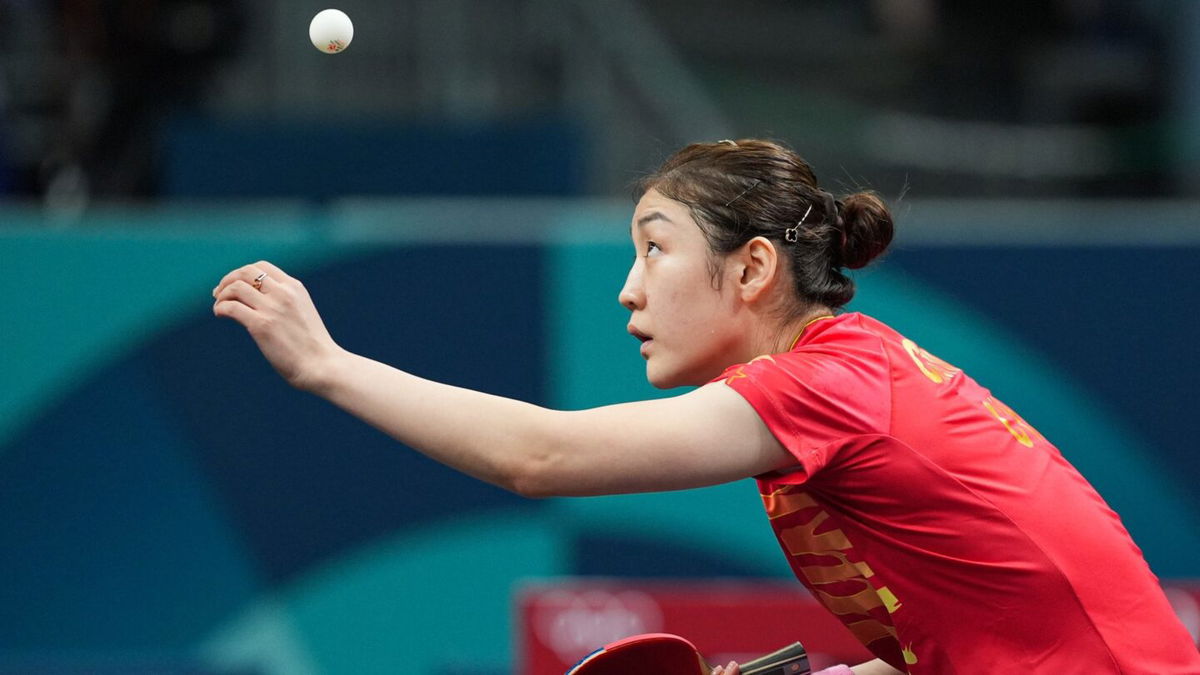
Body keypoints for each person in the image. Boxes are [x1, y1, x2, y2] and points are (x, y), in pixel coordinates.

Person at [212, 139, 1200, 674]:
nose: (628, 292)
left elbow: (542, 459)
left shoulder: (826, 384)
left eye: (654, 249)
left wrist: (327, 365)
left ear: (754, 269)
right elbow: (1001, 620)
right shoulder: (845, 384)